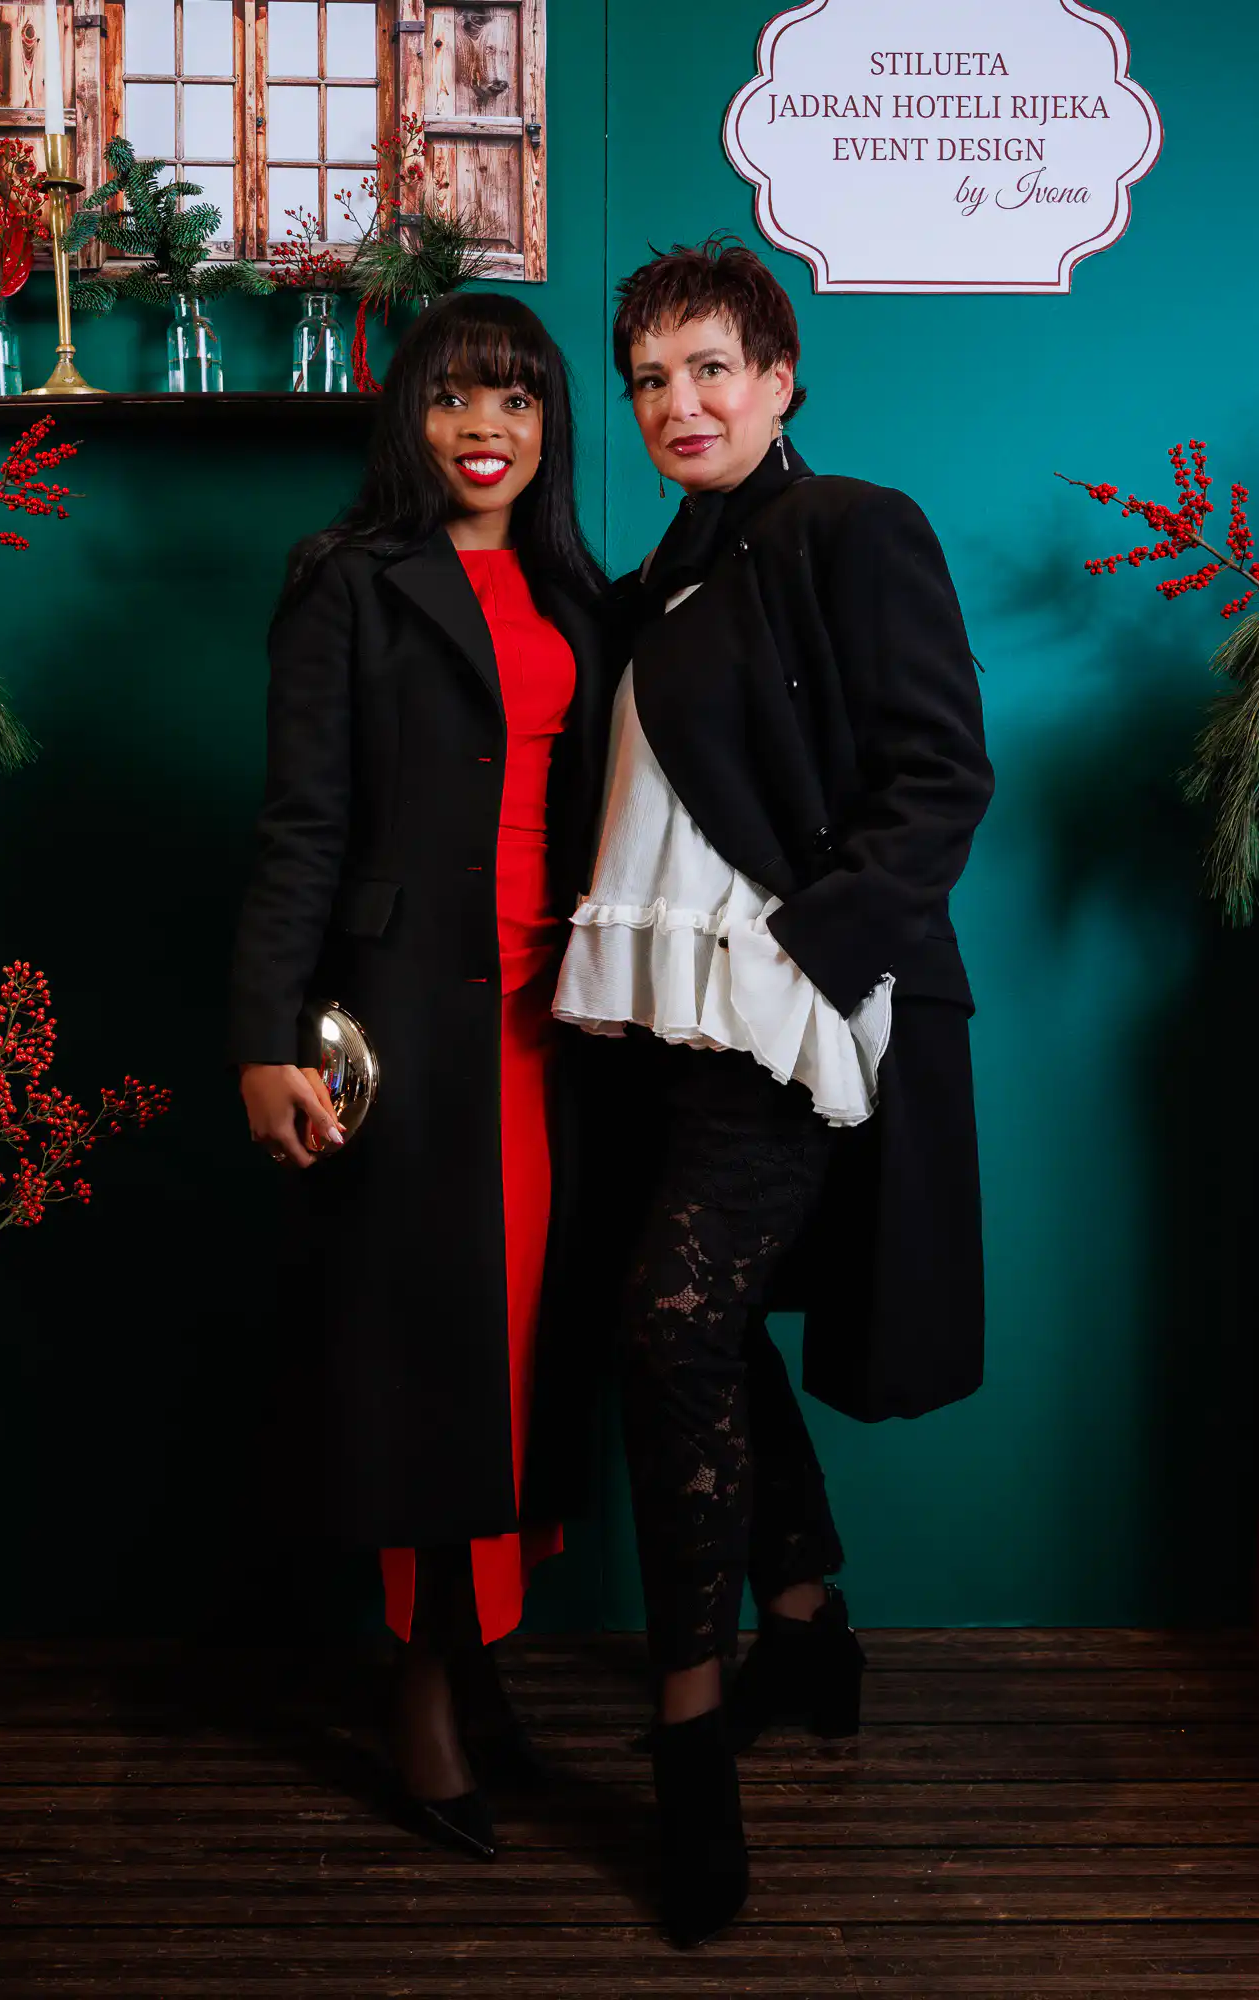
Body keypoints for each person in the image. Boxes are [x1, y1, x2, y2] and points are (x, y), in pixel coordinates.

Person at [554, 238, 994, 1947]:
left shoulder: (850, 529)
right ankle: (806, 1631)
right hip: (652, 1022)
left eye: (711, 368)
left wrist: (808, 957)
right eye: (649, 379)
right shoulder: (647, 581)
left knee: (667, 1326)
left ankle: (689, 1753)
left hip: (787, 1015)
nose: (680, 402)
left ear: (779, 377)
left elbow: (940, 774)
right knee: (704, 1322)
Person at [228, 293, 607, 1861]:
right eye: (454, 395)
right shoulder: (347, 581)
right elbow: (301, 823)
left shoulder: (582, 591)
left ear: (548, 424)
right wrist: (264, 1037)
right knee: (427, 1360)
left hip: (561, 1025)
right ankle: (425, 1687)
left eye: (515, 398)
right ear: (409, 415)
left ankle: (487, 1659)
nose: (485, 427)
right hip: (406, 1023)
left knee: (529, 1360)